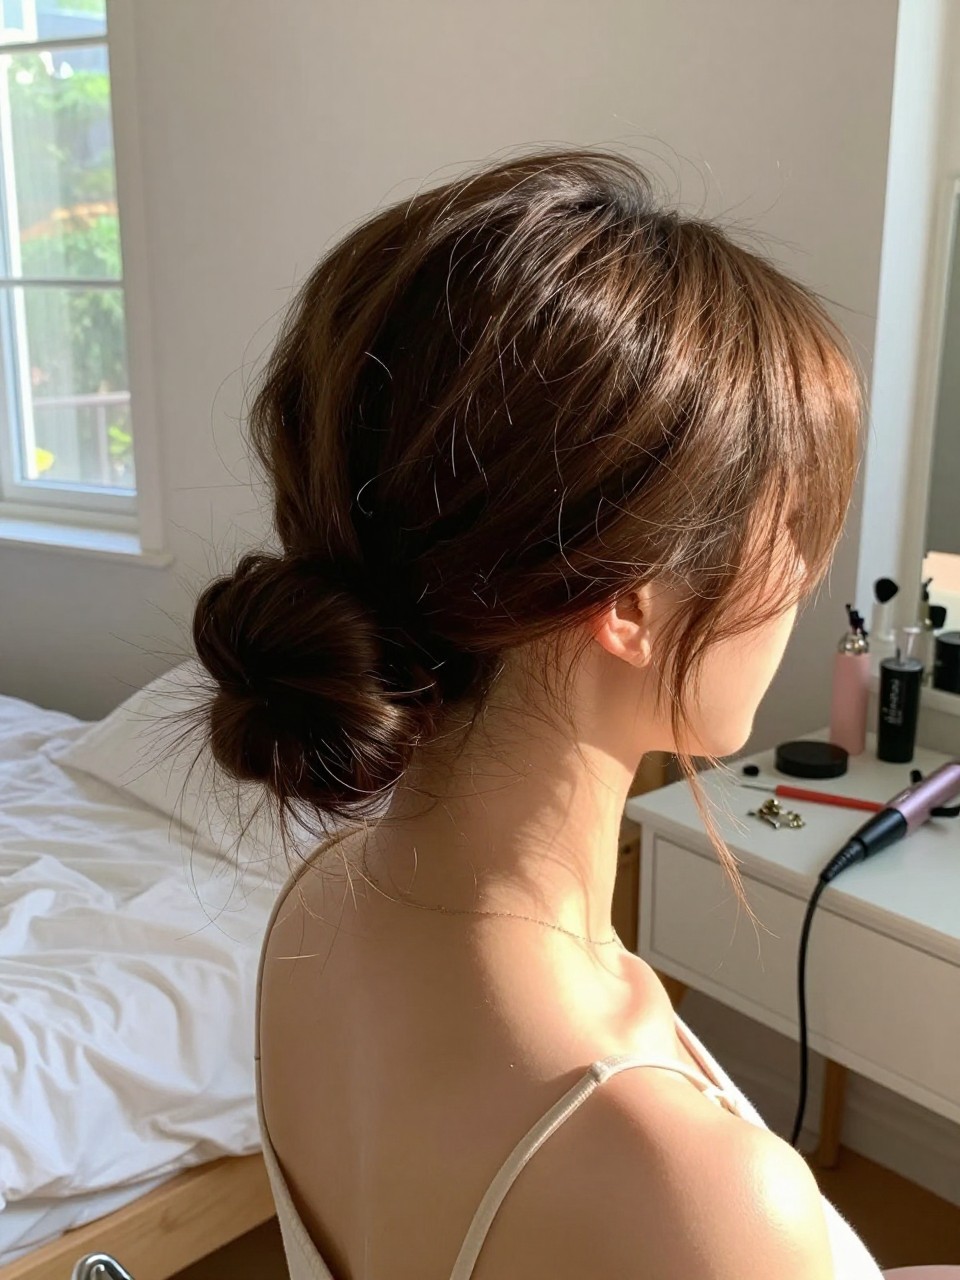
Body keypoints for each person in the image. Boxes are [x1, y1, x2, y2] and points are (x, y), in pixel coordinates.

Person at [191, 147, 890, 1278]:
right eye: (795, 523)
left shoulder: (314, 912)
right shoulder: (693, 1189)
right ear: (631, 602)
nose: (811, 577)